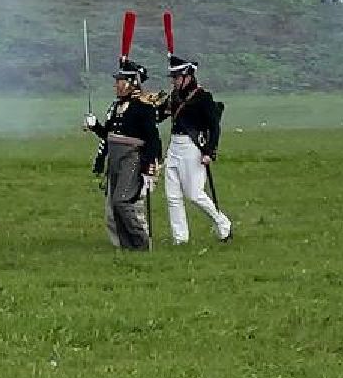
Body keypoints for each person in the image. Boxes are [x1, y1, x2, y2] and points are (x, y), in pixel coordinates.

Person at [83, 60, 161, 251]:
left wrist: (150, 168)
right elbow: (110, 136)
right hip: (115, 157)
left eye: (121, 80)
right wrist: (95, 127)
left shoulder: (143, 107)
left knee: (122, 201)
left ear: (132, 83)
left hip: (132, 157)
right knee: (113, 205)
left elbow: (153, 139)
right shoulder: (117, 107)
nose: (116, 85)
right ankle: (127, 245)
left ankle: (141, 242)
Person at [157, 55, 232, 244]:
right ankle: (180, 238)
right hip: (174, 146)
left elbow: (214, 127)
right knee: (172, 196)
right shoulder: (174, 96)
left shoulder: (202, 97)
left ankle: (223, 224)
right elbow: (159, 117)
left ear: (187, 77)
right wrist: (154, 104)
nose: (173, 81)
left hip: (192, 147)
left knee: (194, 194)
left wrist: (209, 152)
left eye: (176, 77)